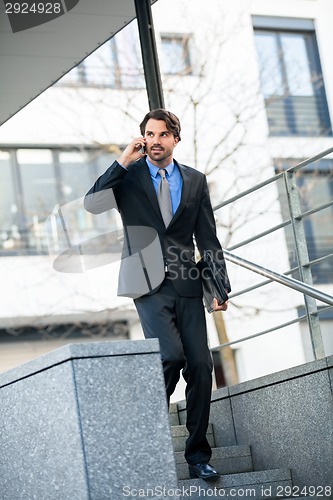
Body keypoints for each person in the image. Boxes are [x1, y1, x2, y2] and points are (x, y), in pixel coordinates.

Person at [84, 109, 231, 481]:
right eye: (149, 134)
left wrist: (218, 285)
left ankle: (197, 455)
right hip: (145, 281)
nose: (155, 140)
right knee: (170, 355)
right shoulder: (128, 177)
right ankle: (144, 435)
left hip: (187, 282)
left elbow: (207, 238)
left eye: (163, 134)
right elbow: (93, 204)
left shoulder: (195, 181)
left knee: (199, 366)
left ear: (175, 140)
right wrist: (121, 160)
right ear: (142, 138)